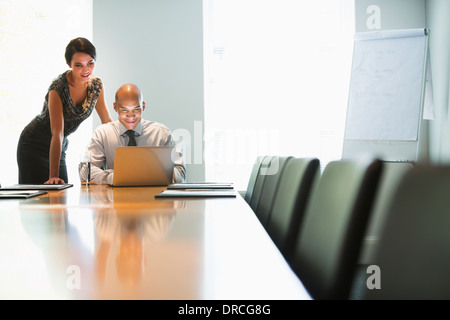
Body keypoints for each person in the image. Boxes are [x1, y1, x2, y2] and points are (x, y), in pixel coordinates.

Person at [17, 37, 113, 185]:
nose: (86, 69)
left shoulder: (96, 86)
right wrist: (53, 175)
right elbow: (58, 133)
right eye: (78, 65)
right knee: (41, 197)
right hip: (34, 143)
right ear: (69, 64)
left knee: (61, 196)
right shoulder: (58, 88)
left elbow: (107, 123)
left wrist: (124, 153)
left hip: (59, 146)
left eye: (90, 63)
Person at [80, 83, 186, 185]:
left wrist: (155, 174)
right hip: (115, 200)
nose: (131, 116)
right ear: (115, 107)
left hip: (154, 199)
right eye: (124, 110)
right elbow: (85, 173)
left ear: (143, 106)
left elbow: (180, 172)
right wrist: (113, 177)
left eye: (136, 109)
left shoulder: (161, 133)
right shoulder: (103, 133)